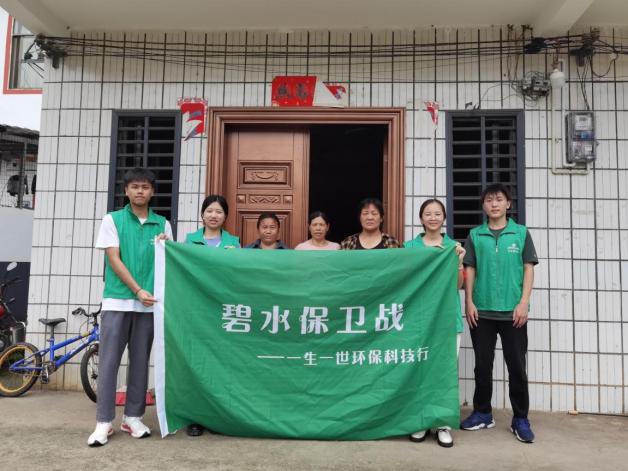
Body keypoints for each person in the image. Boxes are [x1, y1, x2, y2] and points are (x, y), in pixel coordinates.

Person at [88, 168, 173, 447]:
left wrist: (166, 247)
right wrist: (137, 290)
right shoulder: (112, 220)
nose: (140, 191)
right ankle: (103, 422)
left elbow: (169, 262)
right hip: (118, 300)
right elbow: (114, 259)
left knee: (140, 361)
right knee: (109, 361)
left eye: (145, 187)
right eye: (135, 186)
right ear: (126, 190)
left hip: (149, 304)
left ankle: (133, 417)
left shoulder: (163, 224)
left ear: (152, 192)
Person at [460, 183, 538, 443]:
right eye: (489, 200)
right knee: (482, 366)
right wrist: (469, 301)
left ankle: (520, 418)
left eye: (499, 199)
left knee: (516, 367)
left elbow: (529, 268)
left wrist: (524, 302)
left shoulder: (520, 233)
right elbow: (469, 269)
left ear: (508, 204)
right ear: (483, 205)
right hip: (481, 311)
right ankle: (483, 413)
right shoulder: (475, 235)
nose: (494, 204)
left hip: (513, 312)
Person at [404, 199, 465, 448]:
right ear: (421, 218)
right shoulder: (409, 247)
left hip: (447, 319)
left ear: (444, 218)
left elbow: (458, 285)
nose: (432, 218)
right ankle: (420, 420)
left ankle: (442, 423)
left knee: (443, 372)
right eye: (427, 214)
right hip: (418, 319)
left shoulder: (453, 248)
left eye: (437, 213)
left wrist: (458, 262)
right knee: (418, 370)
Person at [184, 194, 240, 437]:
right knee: (197, 364)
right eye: (209, 211)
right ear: (202, 214)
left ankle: (220, 417)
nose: (214, 215)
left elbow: (238, 275)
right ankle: (196, 417)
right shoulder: (189, 241)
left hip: (222, 311)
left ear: (225, 216)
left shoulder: (234, 242)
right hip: (197, 311)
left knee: (222, 364)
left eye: (219, 212)